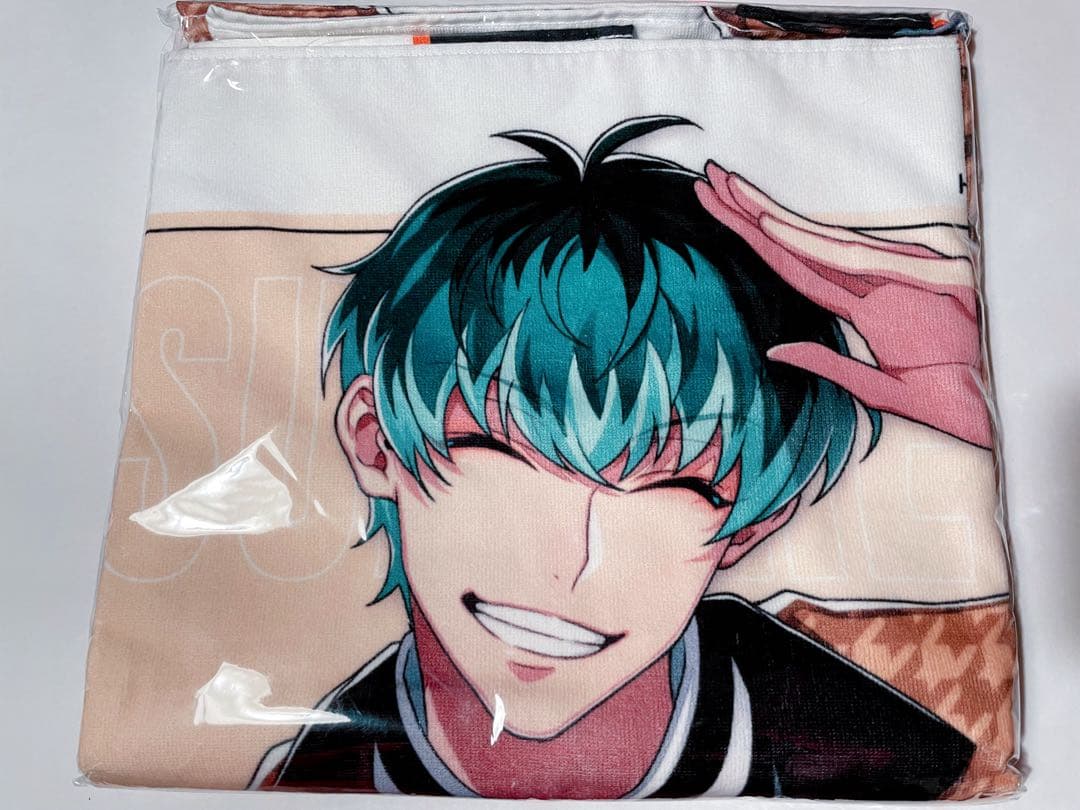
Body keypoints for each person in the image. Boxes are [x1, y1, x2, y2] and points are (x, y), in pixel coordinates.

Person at [250, 116, 986, 799]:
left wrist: (983, 405)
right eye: (502, 453)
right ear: (375, 440)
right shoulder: (313, 775)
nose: (570, 564)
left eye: (674, 487)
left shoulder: (878, 749)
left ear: (753, 526)